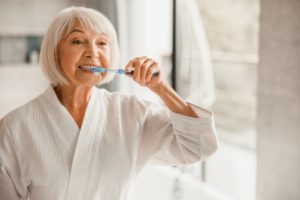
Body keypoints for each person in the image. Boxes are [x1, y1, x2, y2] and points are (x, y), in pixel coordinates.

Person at [0, 6, 218, 200]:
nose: (93, 53)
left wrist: (161, 87)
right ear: (54, 51)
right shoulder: (15, 127)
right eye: (78, 41)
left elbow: (198, 147)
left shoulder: (131, 113)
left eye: (102, 43)